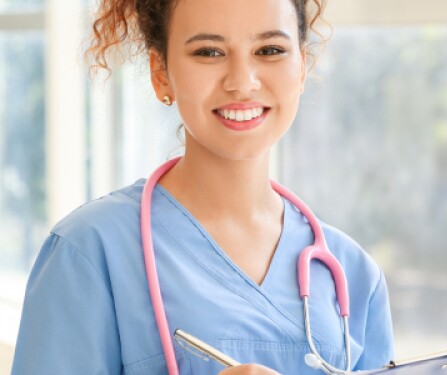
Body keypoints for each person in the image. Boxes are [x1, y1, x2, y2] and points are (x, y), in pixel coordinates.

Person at [11, 0, 394, 374]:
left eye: (270, 49)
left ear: (302, 68)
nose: (242, 81)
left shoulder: (354, 274)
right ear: (160, 72)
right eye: (209, 52)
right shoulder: (90, 250)